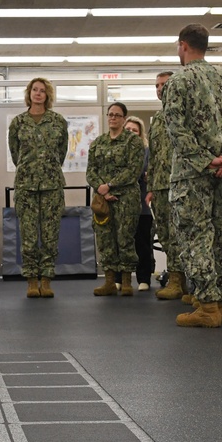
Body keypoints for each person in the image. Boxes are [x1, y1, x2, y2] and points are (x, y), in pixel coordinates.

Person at [163, 23, 222, 328]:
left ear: (182, 45)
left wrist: (206, 159)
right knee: (221, 236)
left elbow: (176, 128)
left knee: (196, 237)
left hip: (192, 175)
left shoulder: (179, 81)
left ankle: (208, 305)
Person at [8, 78, 69, 299]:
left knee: (51, 236)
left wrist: (46, 169)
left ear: (48, 96)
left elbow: (61, 153)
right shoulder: (18, 122)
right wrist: (30, 170)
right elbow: (16, 154)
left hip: (52, 185)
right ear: (29, 93)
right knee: (29, 236)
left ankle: (46, 279)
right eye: (35, 90)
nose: (38, 94)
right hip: (26, 186)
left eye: (42, 91)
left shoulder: (58, 121)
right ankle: (32, 280)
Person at [86, 101, 145, 297]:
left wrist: (110, 185)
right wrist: (102, 190)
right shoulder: (98, 142)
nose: (113, 118)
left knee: (125, 238)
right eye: (110, 114)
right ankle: (110, 281)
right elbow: (91, 171)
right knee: (104, 239)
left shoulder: (132, 142)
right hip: (103, 200)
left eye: (117, 115)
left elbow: (133, 170)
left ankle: (127, 281)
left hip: (125, 198)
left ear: (124, 118)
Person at [147, 71, 182, 301]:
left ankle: (180, 280)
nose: (160, 89)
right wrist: (150, 186)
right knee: (166, 235)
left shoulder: (182, 112)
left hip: (179, 182)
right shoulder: (158, 118)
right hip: (159, 185)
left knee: (180, 234)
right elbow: (153, 154)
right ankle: (176, 279)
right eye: (157, 85)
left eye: (164, 84)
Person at [124, 115, 154, 291]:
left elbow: (146, 172)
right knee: (122, 244)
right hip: (121, 206)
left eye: (134, 130)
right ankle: (120, 279)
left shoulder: (147, 152)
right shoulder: (117, 150)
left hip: (142, 206)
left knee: (142, 244)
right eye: (127, 130)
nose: (131, 133)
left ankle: (144, 279)